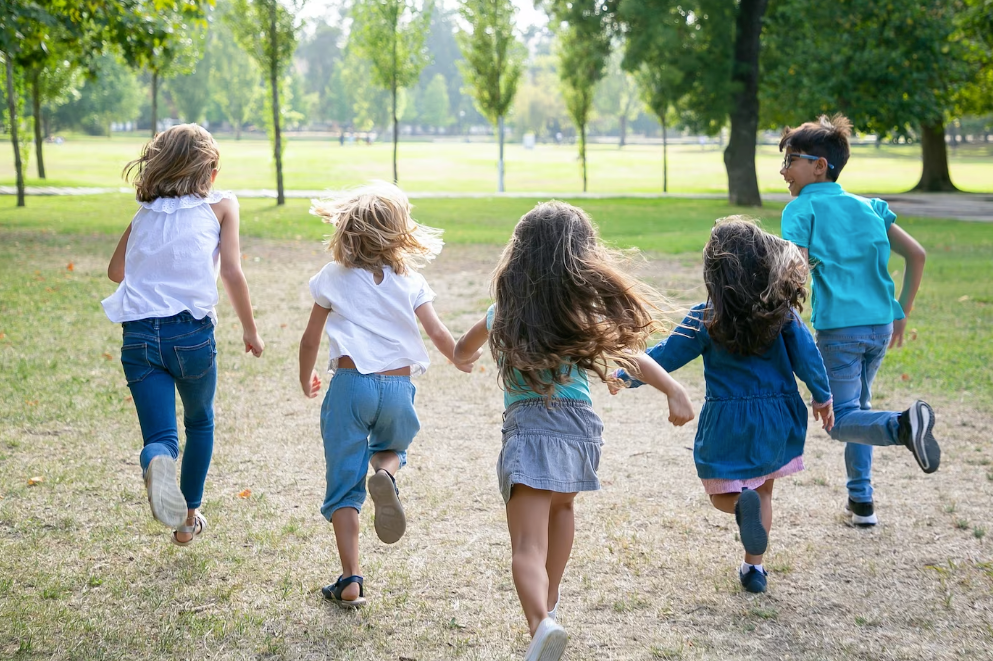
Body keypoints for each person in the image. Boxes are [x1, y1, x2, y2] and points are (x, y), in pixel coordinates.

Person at [454, 201, 693, 661]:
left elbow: (464, 348)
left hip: (530, 428)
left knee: (526, 544)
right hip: (580, 427)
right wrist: (673, 388)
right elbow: (632, 354)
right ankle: (553, 601)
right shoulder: (579, 311)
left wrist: (464, 357)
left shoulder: (502, 311)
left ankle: (540, 622)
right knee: (562, 508)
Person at [613, 218, 833, 594]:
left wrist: (627, 375)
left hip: (728, 419)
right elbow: (808, 357)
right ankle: (755, 568)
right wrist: (823, 396)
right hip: (777, 416)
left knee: (722, 492)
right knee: (763, 489)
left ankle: (737, 508)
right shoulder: (781, 313)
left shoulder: (706, 315)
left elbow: (668, 354)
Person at [298, 183, 479, 609]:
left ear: (346, 231)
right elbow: (436, 331)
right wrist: (456, 356)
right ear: (399, 234)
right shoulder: (410, 279)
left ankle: (351, 580)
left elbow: (310, 338)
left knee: (344, 484)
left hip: (350, 385)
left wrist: (306, 376)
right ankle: (388, 474)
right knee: (391, 448)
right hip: (398, 388)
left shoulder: (332, 277)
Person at [103, 123, 265, 546]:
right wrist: (250, 329)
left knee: (160, 438)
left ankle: (157, 461)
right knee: (200, 421)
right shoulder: (222, 205)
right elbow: (231, 271)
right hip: (190, 335)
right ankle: (187, 517)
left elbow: (115, 272)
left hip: (138, 338)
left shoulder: (144, 214)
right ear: (210, 172)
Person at [779, 114, 939, 528]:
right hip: (880, 326)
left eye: (791, 160)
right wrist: (901, 310)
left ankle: (903, 427)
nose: (783, 170)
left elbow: (793, 273)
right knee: (857, 411)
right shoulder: (871, 206)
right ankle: (861, 502)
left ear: (820, 166)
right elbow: (917, 255)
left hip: (840, 331)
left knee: (841, 421)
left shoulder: (800, 208)